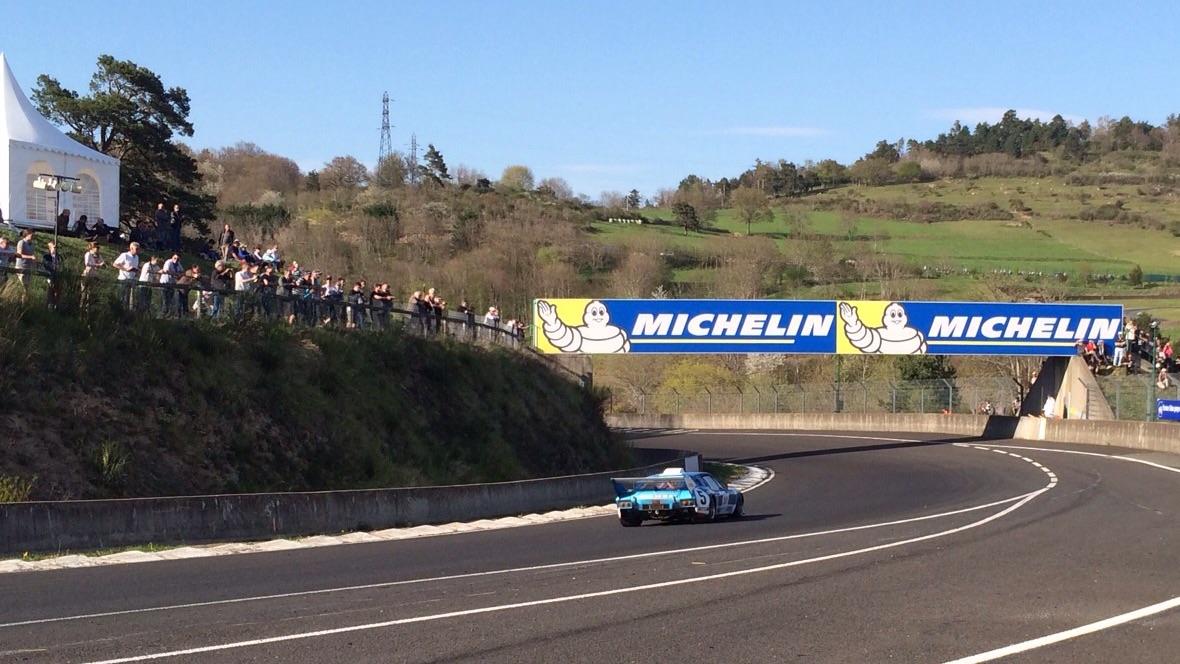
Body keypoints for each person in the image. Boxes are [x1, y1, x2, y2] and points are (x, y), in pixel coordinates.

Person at [112, 242, 140, 307]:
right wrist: (125, 269)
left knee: (128, 299)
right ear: (131, 248)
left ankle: (126, 311)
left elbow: (135, 267)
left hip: (132, 280)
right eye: (136, 249)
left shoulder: (137, 257)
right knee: (121, 298)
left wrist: (136, 271)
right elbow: (115, 264)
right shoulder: (125, 255)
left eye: (138, 249)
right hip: (123, 279)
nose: (138, 250)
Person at [81, 241, 105, 308]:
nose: (98, 249)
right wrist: (97, 265)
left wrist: (103, 265)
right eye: (97, 247)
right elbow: (87, 263)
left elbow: (102, 263)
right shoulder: (88, 254)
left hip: (94, 276)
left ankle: (88, 309)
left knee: (90, 294)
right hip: (87, 275)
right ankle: (81, 308)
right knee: (84, 294)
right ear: (92, 248)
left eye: (98, 248)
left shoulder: (99, 256)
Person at [42, 241, 62, 309]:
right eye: (54, 247)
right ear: (50, 248)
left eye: (56, 247)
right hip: (49, 275)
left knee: (57, 291)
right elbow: (46, 265)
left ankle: (56, 306)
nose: (56, 249)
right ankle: (48, 306)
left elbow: (61, 265)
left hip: (57, 275)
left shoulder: (58, 257)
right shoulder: (46, 256)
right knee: (50, 291)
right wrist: (52, 270)